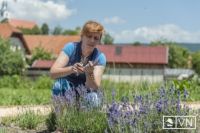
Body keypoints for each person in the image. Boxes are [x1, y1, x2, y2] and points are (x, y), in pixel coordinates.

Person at [50, 20, 106, 110]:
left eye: (96, 38)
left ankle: (84, 120)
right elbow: (53, 73)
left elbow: (94, 87)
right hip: (67, 88)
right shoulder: (71, 48)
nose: (92, 40)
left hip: (86, 91)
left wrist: (89, 73)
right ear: (82, 36)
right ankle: (60, 118)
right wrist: (71, 69)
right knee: (58, 86)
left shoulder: (99, 57)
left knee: (94, 99)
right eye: (89, 36)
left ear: (99, 40)